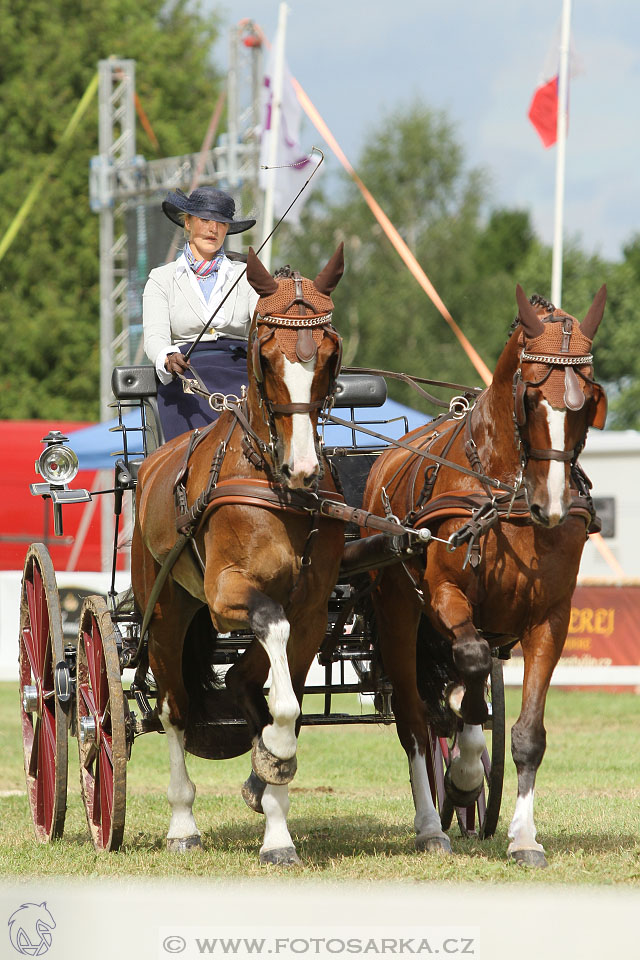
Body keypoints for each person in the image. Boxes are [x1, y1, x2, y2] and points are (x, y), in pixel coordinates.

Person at [142, 186, 259, 442]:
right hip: (186, 378)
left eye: (220, 222)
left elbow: (264, 325)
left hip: (242, 377)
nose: (213, 229)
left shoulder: (248, 276)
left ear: (227, 229)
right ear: (187, 223)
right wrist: (168, 356)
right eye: (205, 220)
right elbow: (155, 337)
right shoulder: (161, 279)